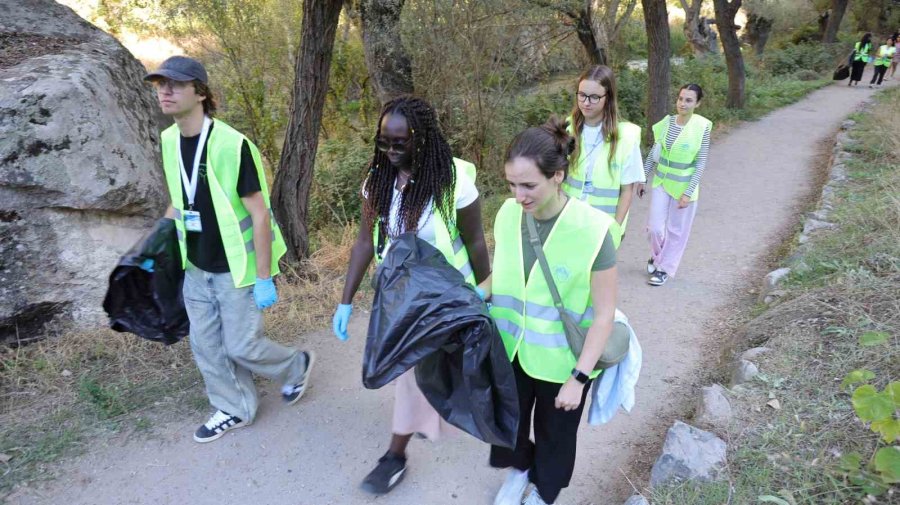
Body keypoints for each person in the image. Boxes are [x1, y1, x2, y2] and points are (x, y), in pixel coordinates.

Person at [142, 56, 314, 443]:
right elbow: (180, 197)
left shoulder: (232, 145)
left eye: (175, 84)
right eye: (160, 84)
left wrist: (265, 275)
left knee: (242, 346)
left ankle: (295, 363)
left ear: (200, 93)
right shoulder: (169, 140)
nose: (165, 91)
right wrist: (156, 238)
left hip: (238, 267)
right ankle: (235, 407)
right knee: (207, 347)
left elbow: (260, 214)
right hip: (196, 264)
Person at [331, 96, 490, 495]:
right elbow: (365, 243)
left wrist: (486, 298)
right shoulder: (379, 180)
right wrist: (346, 300)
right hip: (398, 297)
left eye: (400, 142)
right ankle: (427, 412)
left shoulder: (454, 182)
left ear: (422, 138)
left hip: (442, 299)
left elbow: (475, 243)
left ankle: (394, 456)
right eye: (384, 142)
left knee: (410, 376)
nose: (390, 151)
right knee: (413, 372)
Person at [479, 117, 617, 505]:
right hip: (510, 351)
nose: (518, 195)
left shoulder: (594, 230)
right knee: (509, 425)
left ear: (557, 176)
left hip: (563, 362)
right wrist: (477, 292)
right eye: (511, 184)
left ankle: (544, 489)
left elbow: (604, 313)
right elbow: (504, 274)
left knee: (556, 436)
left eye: (528, 185)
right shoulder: (507, 214)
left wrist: (579, 376)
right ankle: (520, 470)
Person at [638, 84, 712, 286]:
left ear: (697, 103)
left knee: (676, 231)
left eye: (688, 100)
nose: (683, 103)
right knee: (654, 228)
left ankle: (663, 269)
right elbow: (654, 153)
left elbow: (701, 163)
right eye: (680, 99)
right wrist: (643, 177)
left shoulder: (701, 128)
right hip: (661, 182)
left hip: (683, 189)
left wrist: (688, 193)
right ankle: (657, 256)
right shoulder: (666, 123)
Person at [561, 65, 644, 246]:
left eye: (594, 97)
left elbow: (626, 192)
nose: (586, 102)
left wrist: (615, 228)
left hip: (602, 227)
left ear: (608, 98)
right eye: (582, 95)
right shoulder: (566, 129)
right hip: (568, 221)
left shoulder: (626, 137)